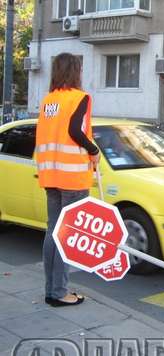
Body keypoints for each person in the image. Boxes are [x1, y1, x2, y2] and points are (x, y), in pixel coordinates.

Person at [35, 52, 100, 307]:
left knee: (53, 231)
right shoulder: (80, 98)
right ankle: (60, 292)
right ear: (75, 72)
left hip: (50, 175)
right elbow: (76, 131)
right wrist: (94, 150)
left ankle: (51, 290)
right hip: (73, 178)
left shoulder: (48, 101)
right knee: (66, 234)